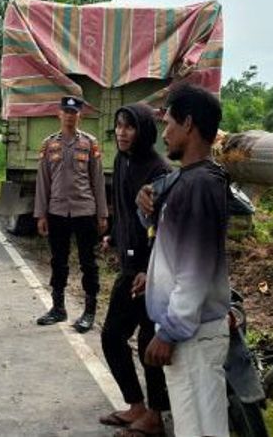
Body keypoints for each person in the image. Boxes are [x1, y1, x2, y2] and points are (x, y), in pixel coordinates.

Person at [141, 83, 231, 437]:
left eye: (169, 124)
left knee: (202, 430)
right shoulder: (186, 180)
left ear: (189, 124)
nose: (165, 134)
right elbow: (167, 236)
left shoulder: (200, 185)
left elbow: (194, 271)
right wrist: (143, 202)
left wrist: (169, 331)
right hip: (190, 332)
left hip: (192, 335)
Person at [99, 103, 172, 436]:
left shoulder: (158, 170)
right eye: (118, 126)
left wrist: (148, 268)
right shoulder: (121, 159)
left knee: (139, 339)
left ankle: (153, 417)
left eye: (129, 127)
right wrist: (112, 234)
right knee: (120, 337)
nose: (121, 132)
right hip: (130, 262)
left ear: (143, 131)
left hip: (148, 271)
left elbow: (163, 228)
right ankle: (137, 407)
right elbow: (123, 207)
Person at [34, 95, 108, 333]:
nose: (69, 115)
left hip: (84, 211)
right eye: (66, 111)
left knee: (88, 262)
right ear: (59, 114)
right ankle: (58, 308)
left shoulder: (89, 143)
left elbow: (98, 180)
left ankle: (89, 311)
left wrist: (102, 214)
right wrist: (41, 214)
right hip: (56, 211)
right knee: (58, 261)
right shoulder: (49, 144)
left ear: (80, 116)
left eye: (74, 112)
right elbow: (43, 181)